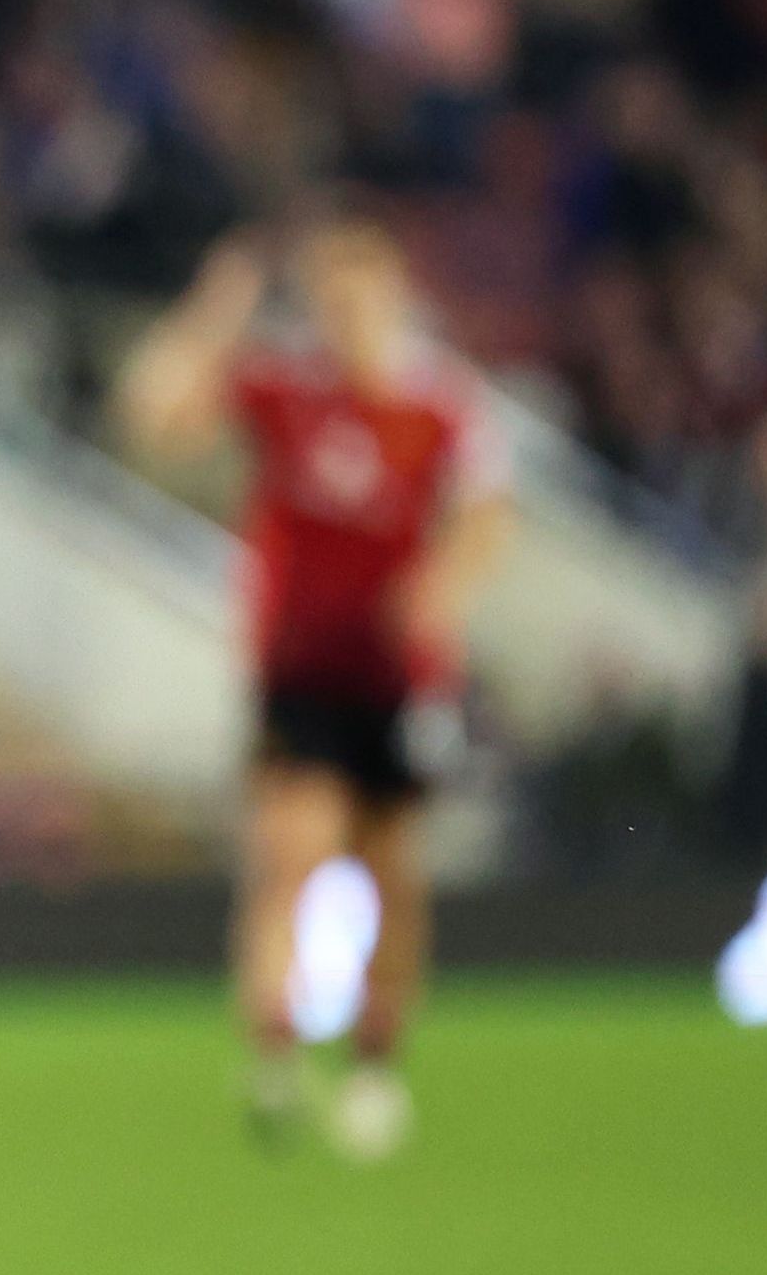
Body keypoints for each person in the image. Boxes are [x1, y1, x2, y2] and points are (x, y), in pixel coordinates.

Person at [117, 215, 513, 1161]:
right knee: (294, 849)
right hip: (298, 675)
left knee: (391, 872)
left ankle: (375, 1064)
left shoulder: (441, 408)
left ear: (392, 298)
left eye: (358, 294)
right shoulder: (285, 395)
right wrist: (216, 311)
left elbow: (489, 517)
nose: (341, 314)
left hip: (398, 680)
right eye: (326, 297)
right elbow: (153, 416)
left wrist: (441, 588)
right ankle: (275, 1056)